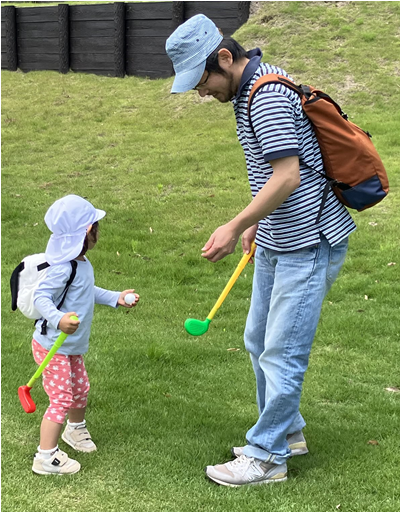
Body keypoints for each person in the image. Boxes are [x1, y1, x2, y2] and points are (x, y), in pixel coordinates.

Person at [166, 15, 356, 487]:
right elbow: (275, 174)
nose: (201, 94)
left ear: (224, 58)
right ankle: (287, 431)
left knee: (282, 352)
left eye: (202, 81)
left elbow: (288, 176)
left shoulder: (266, 95)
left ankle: (268, 457)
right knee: (257, 340)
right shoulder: (248, 91)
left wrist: (234, 225)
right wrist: (257, 223)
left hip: (307, 243)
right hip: (278, 237)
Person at [31, 194, 140, 475]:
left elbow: (86, 290)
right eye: (96, 227)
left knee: (80, 389)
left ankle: (75, 429)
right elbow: (40, 297)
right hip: (52, 346)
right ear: (89, 231)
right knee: (61, 398)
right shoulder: (63, 267)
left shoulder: (80, 263)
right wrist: (58, 318)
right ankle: (45, 456)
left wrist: (116, 297)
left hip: (71, 345)